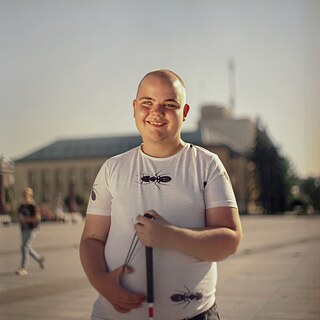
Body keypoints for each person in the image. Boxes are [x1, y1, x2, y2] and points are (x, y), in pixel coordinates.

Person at [80, 69, 242, 320]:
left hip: (195, 315)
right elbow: (91, 239)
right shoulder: (113, 168)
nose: (157, 112)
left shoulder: (207, 164)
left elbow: (230, 240)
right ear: (134, 108)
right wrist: (101, 281)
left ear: (185, 112)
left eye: (169, 104)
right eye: (147, 103)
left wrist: (172, 236)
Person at [15, 187, 45, 276]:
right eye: (24, 194)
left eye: (26, 194)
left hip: (32, 229)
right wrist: (20, 219)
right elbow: (18, 216)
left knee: (24, 246)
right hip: (23, 229)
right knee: (27, 247)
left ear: (30, 195)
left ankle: (23, 268)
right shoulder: (22, 206)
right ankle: (39, 259)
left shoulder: (33, 206)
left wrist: (26, 219)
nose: (25, 196)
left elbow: (37, 218)